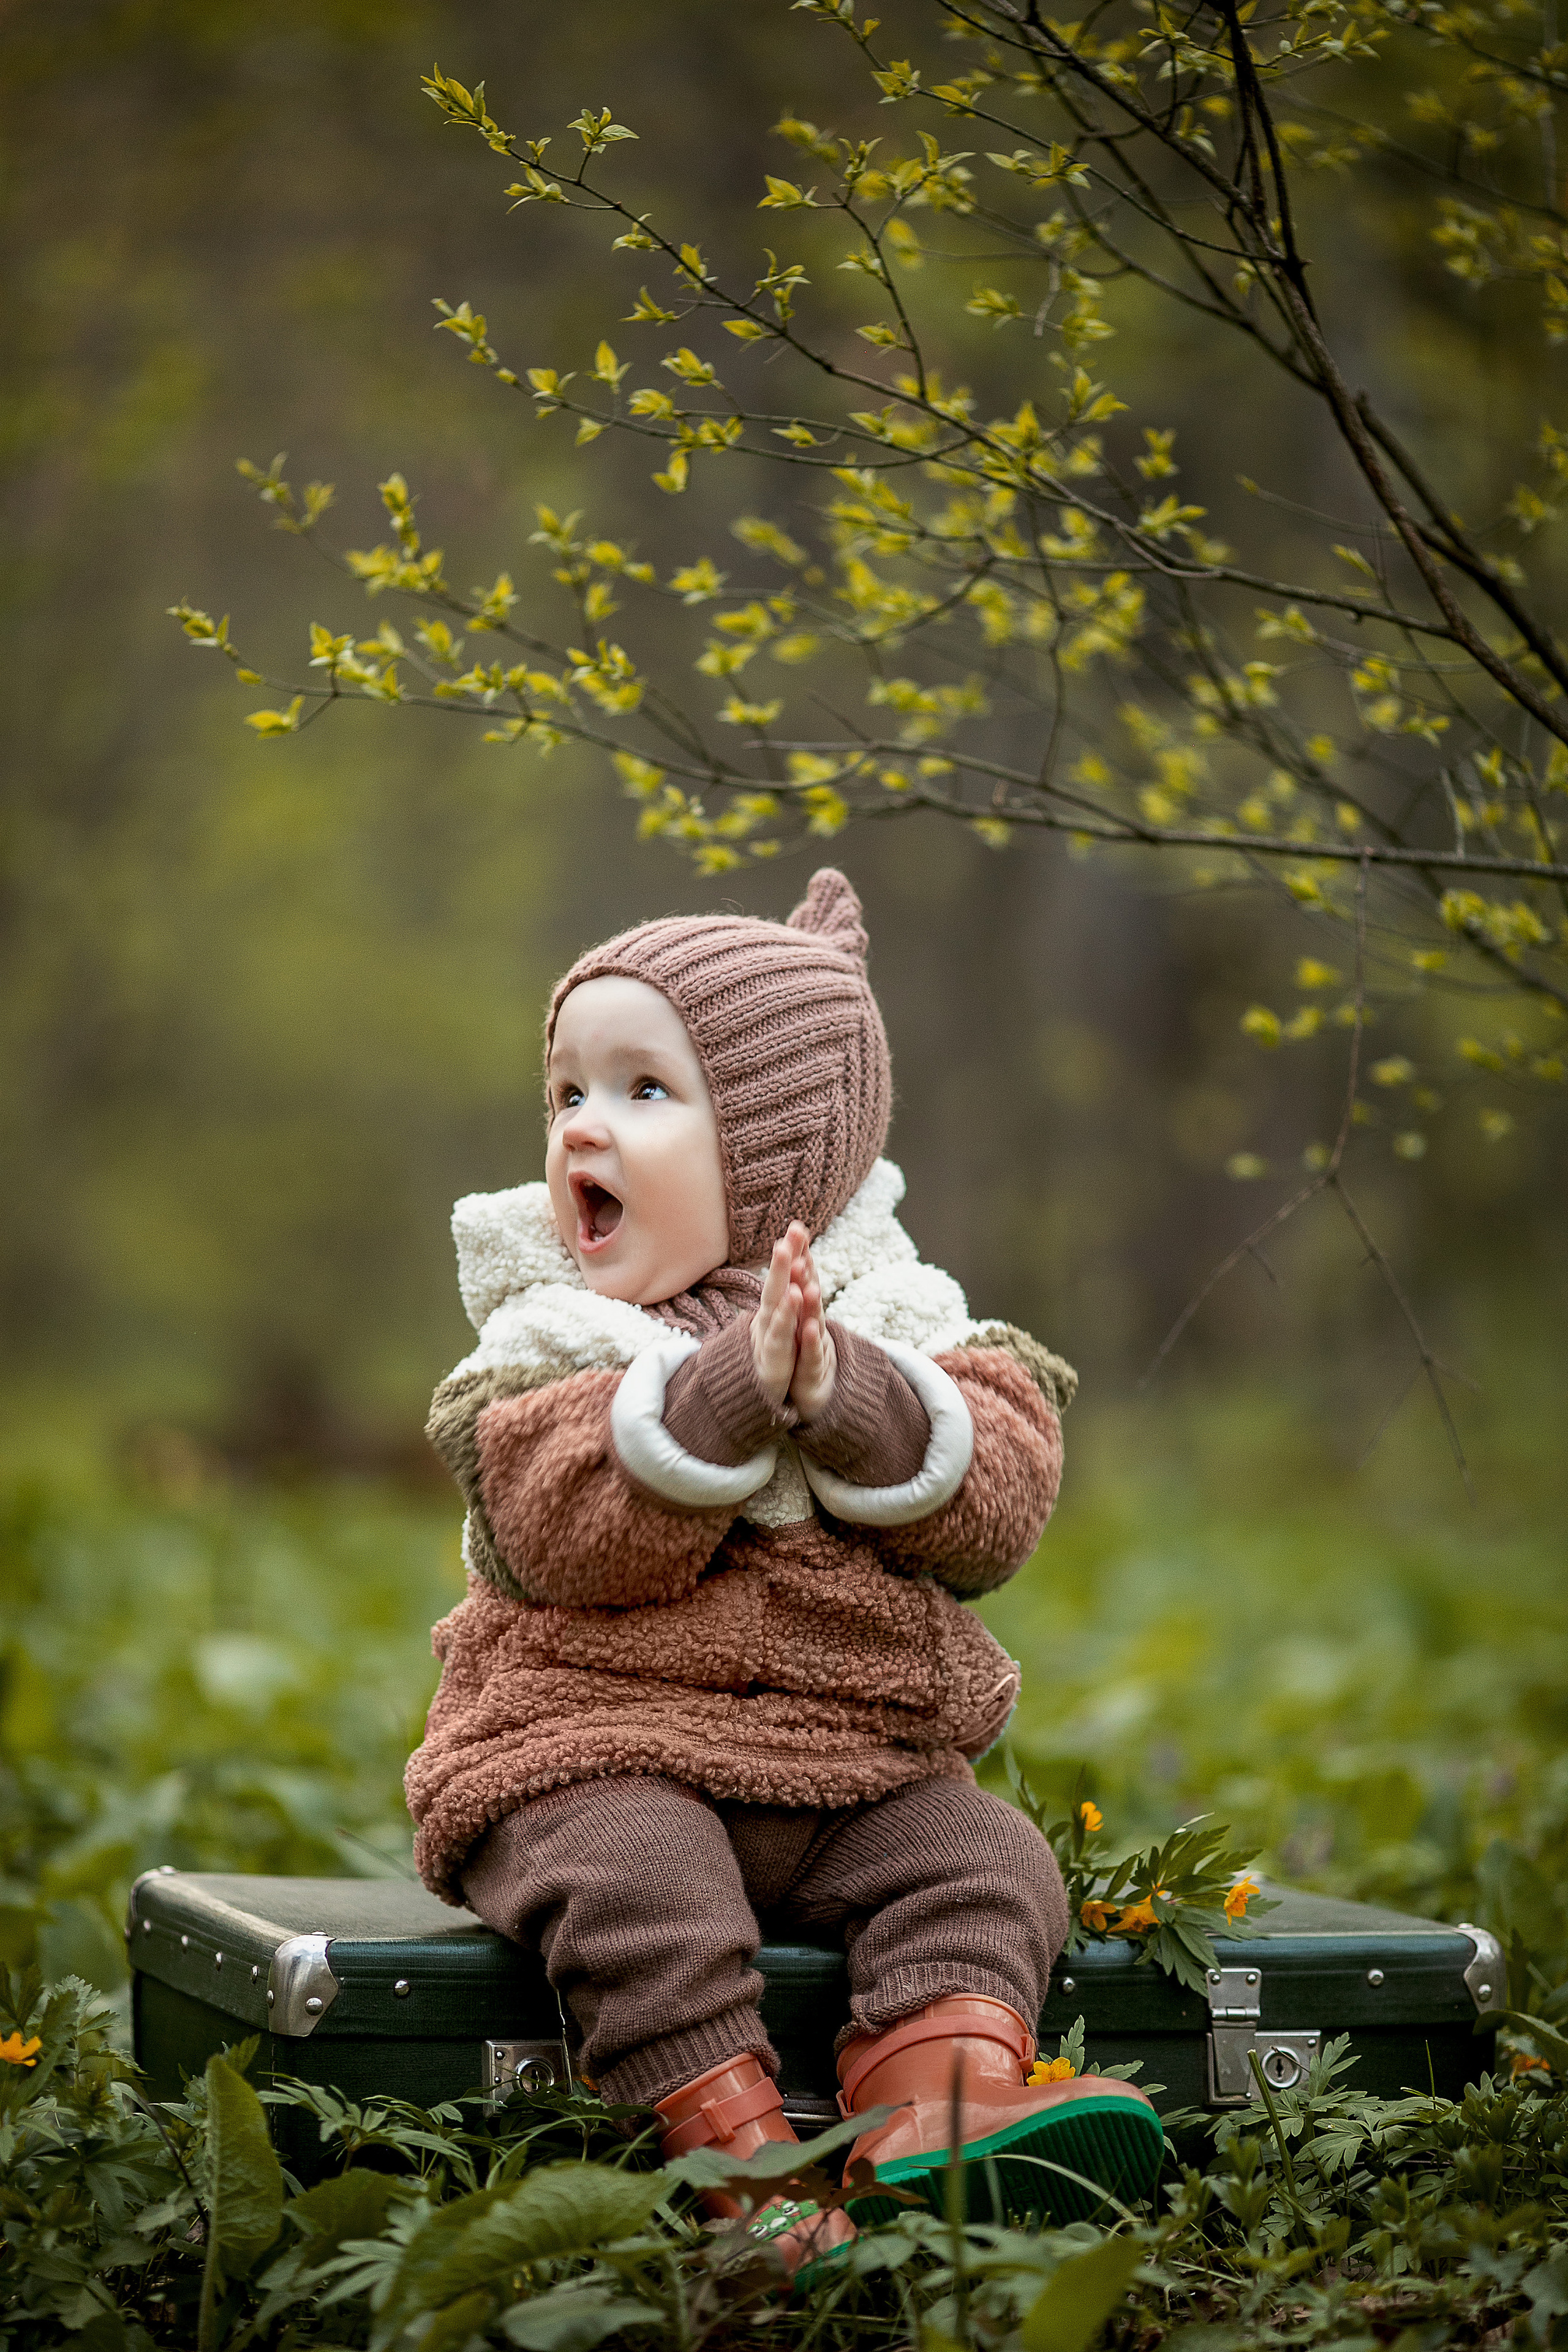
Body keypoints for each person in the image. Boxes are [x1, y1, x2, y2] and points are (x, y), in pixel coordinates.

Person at [405, 869, 1161, 2271]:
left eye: (641, 1091)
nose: (583, 1124)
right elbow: (554, 1524)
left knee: (985, 1861)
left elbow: (995, 1499)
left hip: (846, 1769)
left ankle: (937, 2101)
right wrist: (718, 1401)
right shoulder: (544, 1339)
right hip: (588, 1746)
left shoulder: (904, 1318)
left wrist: (850, 1395)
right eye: (568, 1090)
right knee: (640, 1883)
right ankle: (739, 2161)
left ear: (774, 1152)